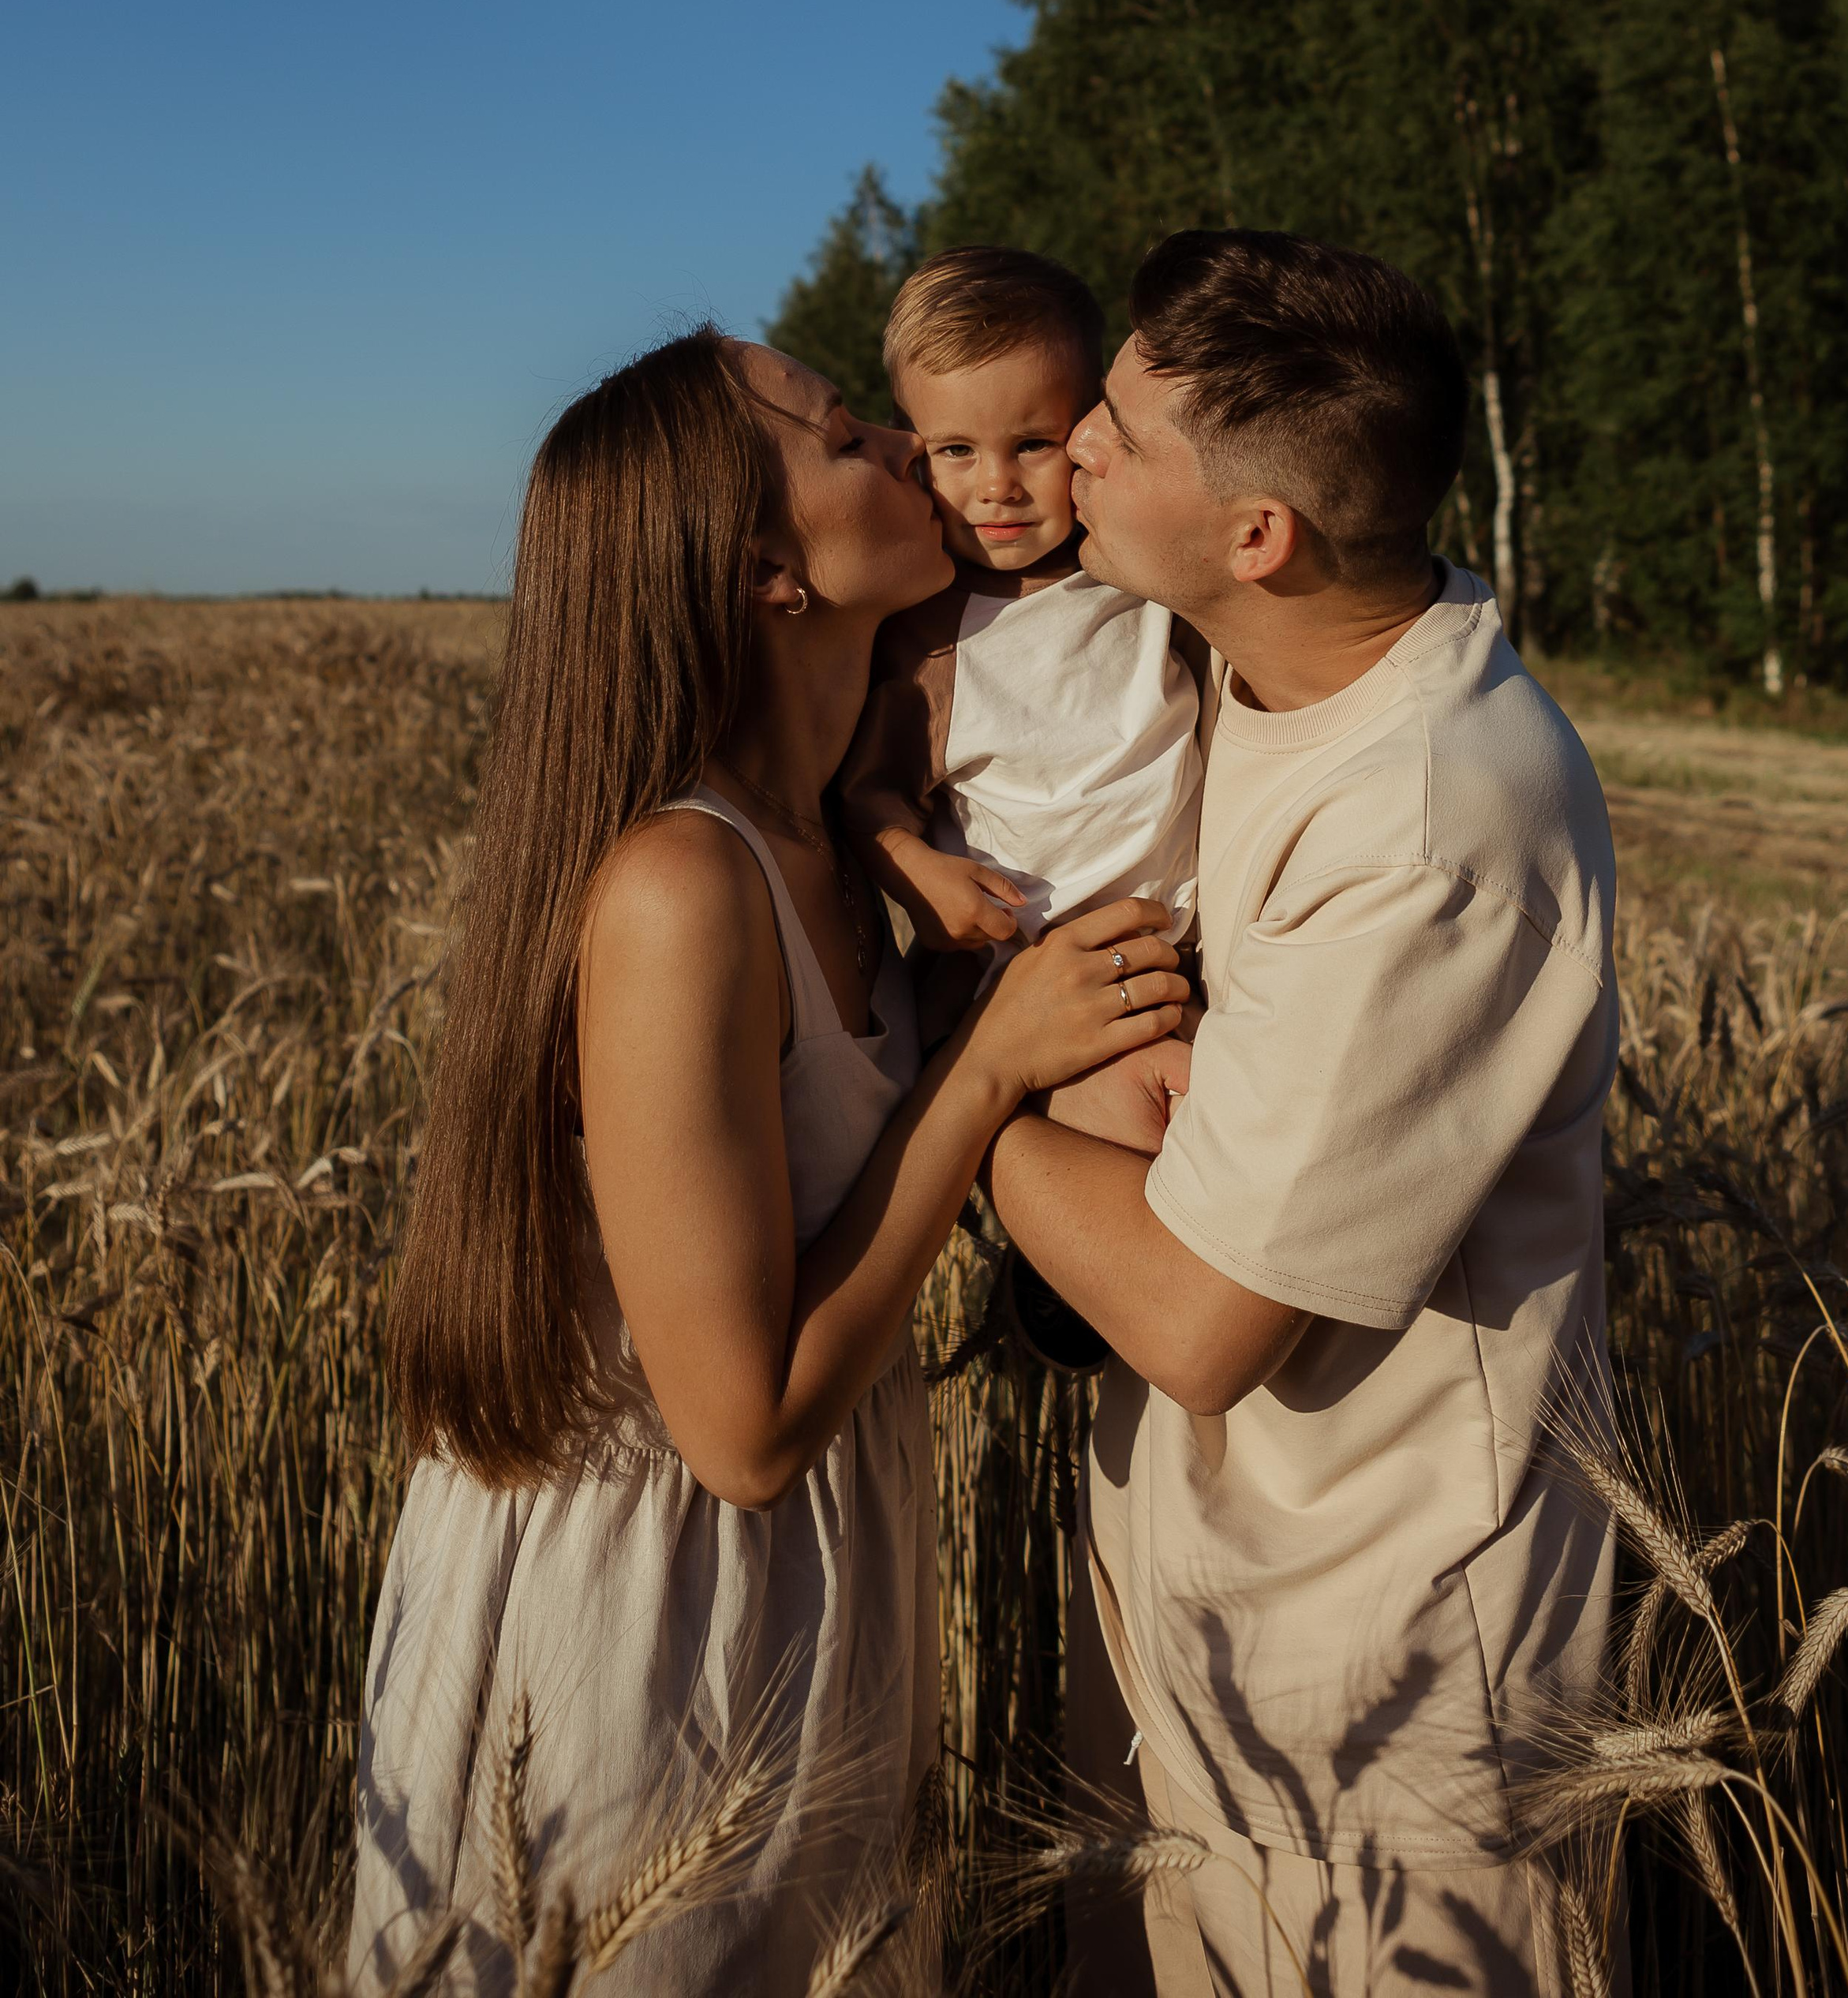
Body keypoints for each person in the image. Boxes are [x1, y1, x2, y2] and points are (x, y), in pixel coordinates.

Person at [348, 327, 1188, 1996]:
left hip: (808, 1585)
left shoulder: (839, 844)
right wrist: (989, 1069)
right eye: (841, 435)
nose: (906, 446)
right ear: (762, 574)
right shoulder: (682, 886)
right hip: (648, 1633)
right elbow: (733, 1429)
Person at [981, 231, 1619, 1998]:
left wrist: (961, 1077)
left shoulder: (1426, 819)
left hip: (1385, 1698)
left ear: (1256, 534)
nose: (1065, 449)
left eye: (1109, 425)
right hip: (1193, 1640)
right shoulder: (1228, 677)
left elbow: (1196, 1321)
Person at [841, 245, 1203, 1028]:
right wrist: (918, 874)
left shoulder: (1137, 568)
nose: (996, 485)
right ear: (915, 449)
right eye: (956, 451)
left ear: (1087, 429)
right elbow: (870, 796)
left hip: (1193, 956)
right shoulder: (929, 636)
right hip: (1024, 978)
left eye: (1032, 445)